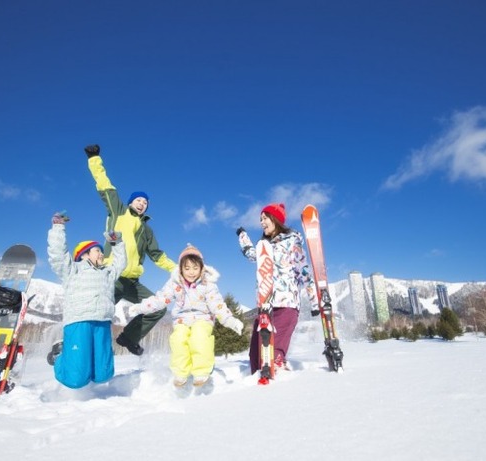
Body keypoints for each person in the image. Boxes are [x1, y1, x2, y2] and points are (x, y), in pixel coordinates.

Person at [84, 144, 177, 356]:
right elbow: (105, 186)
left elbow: (157, 255)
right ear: (130, 201)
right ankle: (74, 343)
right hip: (113, 275)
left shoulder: (147, 230)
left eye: (145, 202)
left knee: (158, 307)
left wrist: (178, 269)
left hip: (133, 282)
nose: (142, 203)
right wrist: (94, 159)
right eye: (139, 200)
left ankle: (129, 337)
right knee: (99, 312)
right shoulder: (118, 212)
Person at [127, 244, 244, 387]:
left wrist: (230, 320)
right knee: (178, 339)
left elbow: (217, 305)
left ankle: (202, 371)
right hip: (181, 320)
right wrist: (141, 307)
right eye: (187, 268)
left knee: (199, 337)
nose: (191, 272)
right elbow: (160, 299)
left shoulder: (208, 284)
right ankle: (181, 372)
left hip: (203, 318)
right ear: (181, 268)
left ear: (202, 268)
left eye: (195, 268)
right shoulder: (175, 283)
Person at [46, 212, 127, 389]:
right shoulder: (72, 270)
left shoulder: (108, 272)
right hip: (79, 321)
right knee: (76, 379)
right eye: (98, 250)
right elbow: (58, 256)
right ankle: (60, 355)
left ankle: (90, 373)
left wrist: (117, 242)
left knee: (103, 375)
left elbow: (121, 263)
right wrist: (58, 227)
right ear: (84, 255)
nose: (101, 254)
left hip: (103, 323)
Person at [236, 203, 319, 375]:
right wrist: (243, 237)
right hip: (265, 305)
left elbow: (304, 272)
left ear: (276, 219)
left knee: (274, 355)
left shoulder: (292, 241)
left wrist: (314, 301)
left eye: (265, 218)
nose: (261, 222)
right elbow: (251, 254)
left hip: (286, 305)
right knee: (255, 357)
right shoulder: (263, 245)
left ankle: (279, 385)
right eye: (260, 219)